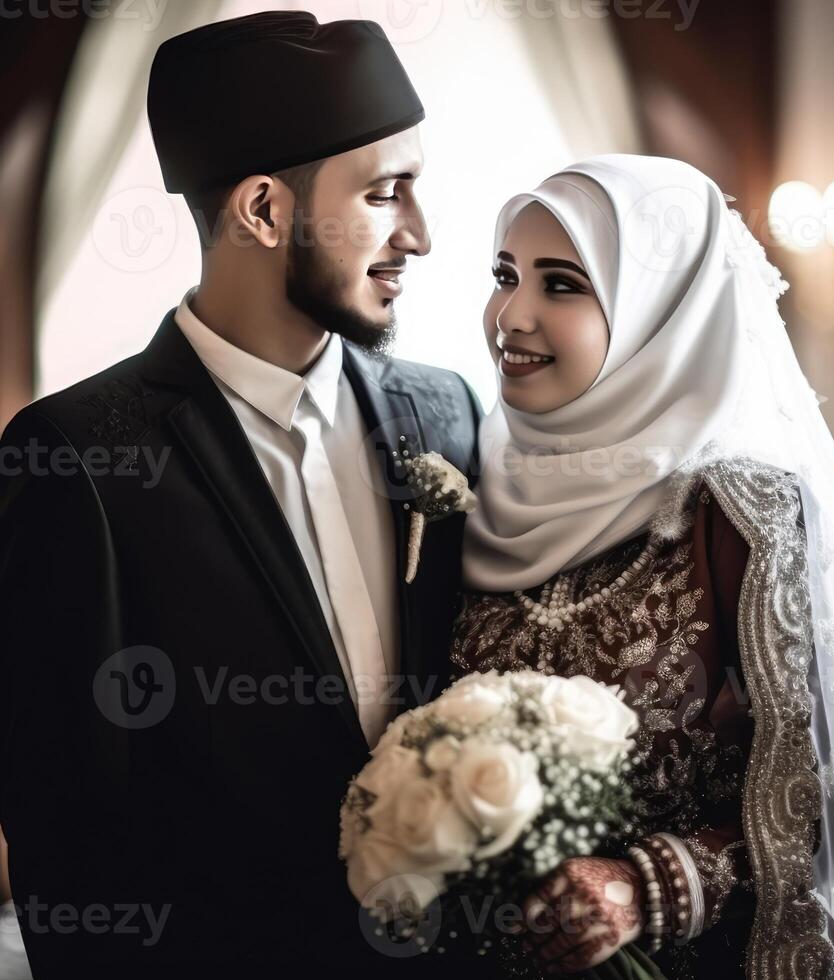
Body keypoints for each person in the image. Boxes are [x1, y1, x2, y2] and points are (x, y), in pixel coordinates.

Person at [0, 12, 491, 978]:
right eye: (387, 194)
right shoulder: (76, 458)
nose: (421, 237)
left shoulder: (450, 410)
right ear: (264, 211)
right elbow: (68, 838)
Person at [451, 155, 834, 978]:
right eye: (504, 274)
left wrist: (649, 885)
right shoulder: (475, 491)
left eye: (561, 284)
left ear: (664, 313)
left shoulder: (744, 510)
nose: (510, 315)